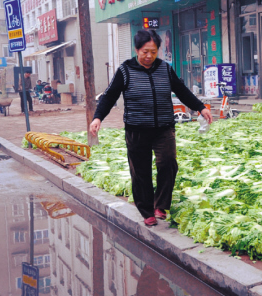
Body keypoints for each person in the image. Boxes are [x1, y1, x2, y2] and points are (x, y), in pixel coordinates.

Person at [89, 29, 212, 226]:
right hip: (136, 129)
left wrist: (200, 107)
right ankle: (147, 211)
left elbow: (181, 90)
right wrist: (98, 118)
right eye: (145, 51)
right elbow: (109, 96)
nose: (149, 56)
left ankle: (161, 205)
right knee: (141, 171)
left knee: (168, 163)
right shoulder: (125, 70)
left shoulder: (165, 69)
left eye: (153, 52)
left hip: (163, 127)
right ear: (136, 49)